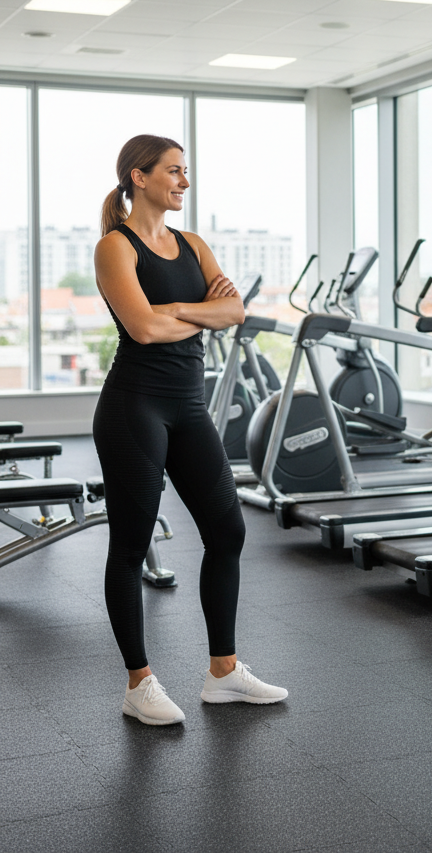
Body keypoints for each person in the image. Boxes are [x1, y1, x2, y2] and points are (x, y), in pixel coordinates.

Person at [93, 134, 287, 726]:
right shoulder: (114, 248)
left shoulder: (192, 244)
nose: (183, 181)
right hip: (134, 408)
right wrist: (189, 315)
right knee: (130, 545)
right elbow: (143, 332)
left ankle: (223, 673)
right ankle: (139, 682)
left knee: (227, 530)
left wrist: (173, 311)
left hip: (188, 406)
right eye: (173, 172)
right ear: (138, 177)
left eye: (186, 171)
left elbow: (234, 313)